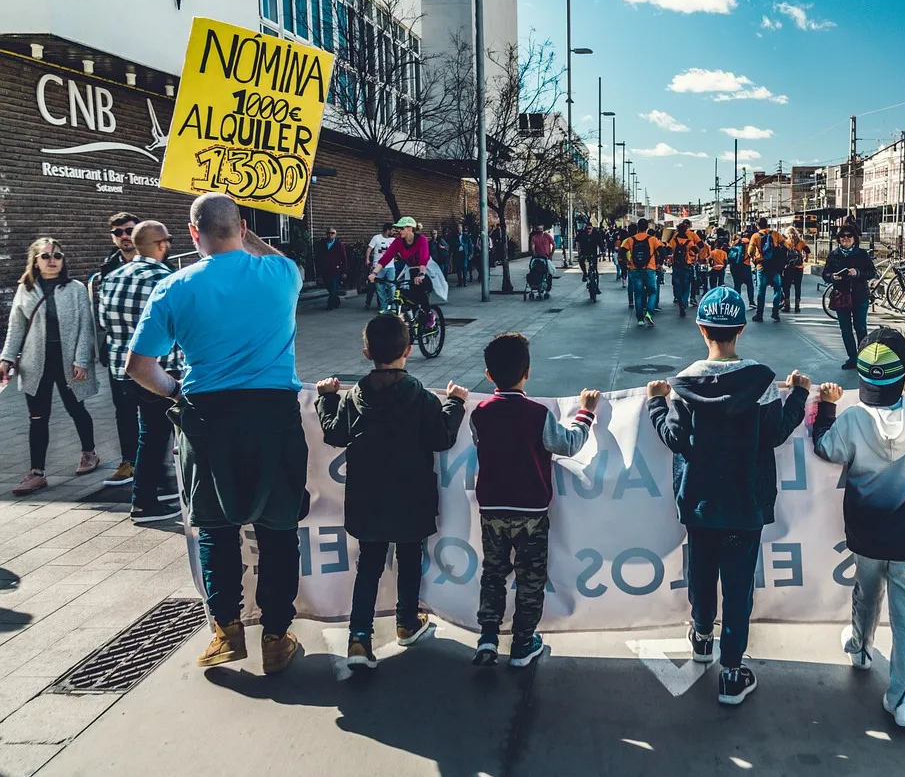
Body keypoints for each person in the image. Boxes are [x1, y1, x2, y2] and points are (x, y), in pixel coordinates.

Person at [127, 193, 308, 676]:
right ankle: (276, 635)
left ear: (191, 233)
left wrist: (175, 393)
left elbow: (139, 367)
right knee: (278, 528)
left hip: (208, 418)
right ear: (244, 227)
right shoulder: (282, 275)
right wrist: (248, 235)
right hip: (274, 416)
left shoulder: (174, 288)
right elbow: (282, 257)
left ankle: (226, 632)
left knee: (214, 527)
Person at [646, 287, 810, 705]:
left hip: (700, 504)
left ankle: (701, 637)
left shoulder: (683, 385)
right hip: (745, 506)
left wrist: (656, 406)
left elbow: (675, 439)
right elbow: (776, 432)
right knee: (738, 588)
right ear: (741, 329)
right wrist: (800, 395)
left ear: (702, 329)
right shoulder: (762, 382)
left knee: (701, 576)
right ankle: (732, 672)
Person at [812, 328, 905, 727]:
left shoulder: (853, 418)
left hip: (866, 532)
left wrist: (826, 409)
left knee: (866, 590)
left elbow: (825, 446)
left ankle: (860, 648)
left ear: (860, 378)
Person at [315, 315, 469, 669]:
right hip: (411, 498)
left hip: (366, 500)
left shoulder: (354, 397)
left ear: (367, 351)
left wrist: (326, 399)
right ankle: (406, 623)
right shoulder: (422, 397)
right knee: (410, 558)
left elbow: (334, 433)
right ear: (409, 351)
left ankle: (359, 638)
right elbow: (442, 438)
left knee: (368, 565)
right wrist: (455, 404)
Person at [470, 333, 599, 667]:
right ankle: (523, 641)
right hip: (531, 511)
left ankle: (487, 635)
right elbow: (568, 444)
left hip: (492, 510)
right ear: (527, 373)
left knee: (494, 573)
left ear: (488, 375)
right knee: (530, 578)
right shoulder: (538, 414)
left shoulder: (480, 413)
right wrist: (586, 413)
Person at [97, 221, 183, 523]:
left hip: (124, 370)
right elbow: (179, 328)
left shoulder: (111, 278)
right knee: (154, 435)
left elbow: (105, 323)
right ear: (160, 244)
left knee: (149, 431)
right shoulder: (166, 279)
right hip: (159, 369)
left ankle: (158, 488)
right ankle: (144, 501)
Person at [1, 238, 100, 495]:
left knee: (75, 407)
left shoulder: (76, 288)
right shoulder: (26, 288)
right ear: (35, 260)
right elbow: (17, 327)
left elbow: (85, 327)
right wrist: (7, 358)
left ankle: (89, 454)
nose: (52, 260)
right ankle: (37, 473)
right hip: (36, 362)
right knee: (37, 417)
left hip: (67, 362)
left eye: (57, 255)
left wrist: (81, 360)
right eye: (45, 256)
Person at [97, 212, 141, 489]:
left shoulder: (156, 262)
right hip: (119, 353)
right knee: (123, 409)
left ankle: (165, 460)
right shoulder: (108, 268)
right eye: (118, 233)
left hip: (154, 352)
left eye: (129, 230)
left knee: (160, 409)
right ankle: (129, 461)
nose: (124, 236)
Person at [822, 226, 876, 369]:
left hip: (860, 296)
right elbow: (825, 274)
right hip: (841, 296)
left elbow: (872, 272)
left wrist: (857, 273)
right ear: (838, 238)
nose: (845, 238)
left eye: (849, 235)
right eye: (842, 236)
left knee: (861, 327)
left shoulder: (862, 254)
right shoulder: (834, 254)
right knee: (845, 329)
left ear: (854, 238)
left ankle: (864, 357)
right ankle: (852, 357)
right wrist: (833, 277)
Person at [369, 217, 433, 312]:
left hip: (424, 268)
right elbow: (386, 258)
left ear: (410, 228)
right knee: (403, 294)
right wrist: (374, 273)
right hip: (409, 269)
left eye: (402, 228)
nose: (399, 231)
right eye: (398, 228)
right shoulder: (398, 241)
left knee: (420, 292)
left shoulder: (421, 239)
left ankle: (429, 315)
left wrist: (421, 274)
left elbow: (423, 259)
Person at [748, 218, 789, 322]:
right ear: (767, 224)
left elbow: (750, 251)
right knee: (777, 289)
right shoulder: (775, 234)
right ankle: (775, 312)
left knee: (761, 291)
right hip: (775, 266)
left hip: (762, 266)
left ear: (758, 226)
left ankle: (759, 314)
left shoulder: (755, 236)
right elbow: (786, 245)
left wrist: (754, 259)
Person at [622, 219, 660, 327]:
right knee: (652, 292)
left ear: (638, 227)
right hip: (649, 269)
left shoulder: (630, 240)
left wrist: (627, 262)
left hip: (635, 269)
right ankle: (649, 312)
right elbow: (662, 251)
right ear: (647, 227)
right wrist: (659, 263)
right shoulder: (652, 239)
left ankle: (640, 319)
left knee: (638, 294)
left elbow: (621, 252)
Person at [670, 221, 700, 317]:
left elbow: (668, 249)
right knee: (686, 286)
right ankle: (685, 302)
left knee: (677, 285)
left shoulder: (674, 240)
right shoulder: (690, 241)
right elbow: (698, 248)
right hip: (686, 265)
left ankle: (679, 301)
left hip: (676, 265)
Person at [366, 223, 397, 312]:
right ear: (388, 230)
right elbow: (369, 249)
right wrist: (367, 259)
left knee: (392, 286)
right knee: (380, 288)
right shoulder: (376, 238)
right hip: (377, 266)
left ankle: (393, 306)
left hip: (390, 267)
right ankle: (384, 307)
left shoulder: (393, 240)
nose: (394, 232)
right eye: (392, 230)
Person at [316, 228, 349, 310]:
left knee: (333, 286)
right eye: (328, 233)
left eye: (332, 233)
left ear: (335, 235)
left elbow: (344, 258)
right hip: (325, 269)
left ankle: (330, 304)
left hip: (335, 269)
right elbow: (319, 256)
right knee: (329, 286)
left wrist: (344, 271)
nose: (330, 234)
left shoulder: (339, 245)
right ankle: (336, 300)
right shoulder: (323, 244)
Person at [780, 228, 810, 313]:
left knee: (786, 286)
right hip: (799, 268)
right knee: (798, 286)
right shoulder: (801, 242)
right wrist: (806, 259)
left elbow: (782, 254)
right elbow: (808, 250)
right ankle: (797, 307)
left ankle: (787, 306)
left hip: (788, 267)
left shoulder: (786, 242)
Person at [727, 230, 755, 306]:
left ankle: (737, 301)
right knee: (749, 285)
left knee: (737, 284)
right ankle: (751, 302)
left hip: (735, 266)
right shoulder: (748, 242)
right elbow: (751, 253)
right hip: (745, 265)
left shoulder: (735, 242)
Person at [448, 224, 472, 288]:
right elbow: (452, 244)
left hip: (464, 253)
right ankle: (460, 282)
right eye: (458, 228)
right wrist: (459, 244)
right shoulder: (454, 236)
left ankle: (464, 281)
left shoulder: (466, 236)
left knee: (464, 267)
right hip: (457, 253)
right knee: (458, 268)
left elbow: (470, 244)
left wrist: (471, 253)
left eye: (460, 228)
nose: (459, 229)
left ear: (462, 228)